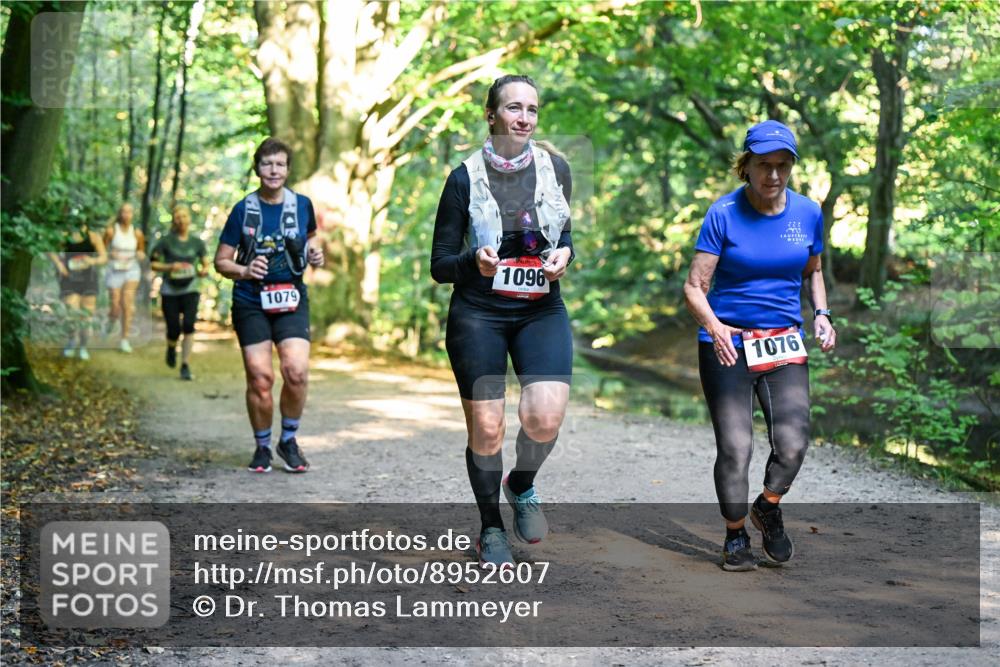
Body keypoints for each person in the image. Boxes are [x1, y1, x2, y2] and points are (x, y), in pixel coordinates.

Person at [431, 75, 575, 568]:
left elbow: (565, 233)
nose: (524, 118)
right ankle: (490, 526)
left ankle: (523, 484)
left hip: (540, 307)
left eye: (532, 109)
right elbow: (440, 264)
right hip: (479, 313)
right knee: (488, 429)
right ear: (491, 116)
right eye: (514, 108)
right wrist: (475, 260)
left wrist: (565, 257)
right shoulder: (462, 179)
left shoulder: (556, 167)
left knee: (544, 416)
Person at [683, 119, 837, 571]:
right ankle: (735, 536)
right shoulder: (723, 214)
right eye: (764, 165)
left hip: (783, 342)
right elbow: (695, 287)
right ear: (745, 166)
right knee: (736, 447)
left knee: (792, 444)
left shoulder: (808, 213)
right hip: (729, 341)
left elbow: (814, 270)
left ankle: (767, 505)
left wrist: (822, 314)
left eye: (783, 166)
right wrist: (716, 328)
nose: (773, 175)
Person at [214, 137, 325, 474]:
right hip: (251, 301)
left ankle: (287, 440)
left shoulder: (302, 205)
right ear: (257, 169)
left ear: (288, 169)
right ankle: (262, 446)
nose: (273, 170)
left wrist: (317, 254)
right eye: (267, 163)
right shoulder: (243, 209)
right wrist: (244, 270)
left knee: (296, 372)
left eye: (279, 164)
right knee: (260, 377)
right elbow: (220, 261)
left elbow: (311, 242)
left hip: (291, 298)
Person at [150, 204, 209, 381]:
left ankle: (185, 364)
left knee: (189, 325)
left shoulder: (197, 242)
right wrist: (169, 266)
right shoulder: (165, 241)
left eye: (184, 216)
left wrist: (203, 270)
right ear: (174, 221)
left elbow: (205, 263)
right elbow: (152, 263)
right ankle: (170, 346)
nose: (180, 220)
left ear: (189, 219)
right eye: (177, 217)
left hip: (191, 288)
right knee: (174, 328)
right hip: (170, 290)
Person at [50, 213, 107, 360]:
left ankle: (83, 346)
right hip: (70, 278)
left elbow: (103, 257)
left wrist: (91, 261)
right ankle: (71, 341)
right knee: (71, 312)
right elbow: (51, 249)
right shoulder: (66, 235)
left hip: (89, 278)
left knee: (86, 316)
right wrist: (59, 265)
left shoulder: (93, 236)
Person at [104, 203, 145, 353]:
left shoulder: (137, 233)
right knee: (115, 307)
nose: (126, 215)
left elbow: (141, 251)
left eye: (129, 212)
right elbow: (102, 251)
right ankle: (110, 322)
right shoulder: (111, 231)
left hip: (131, 271)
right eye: (123, 212)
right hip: (114, 271)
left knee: (127, 305)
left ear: (132, 214)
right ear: (119, 214)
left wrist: (140, 255)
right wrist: (110, 254)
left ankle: (124, 339)